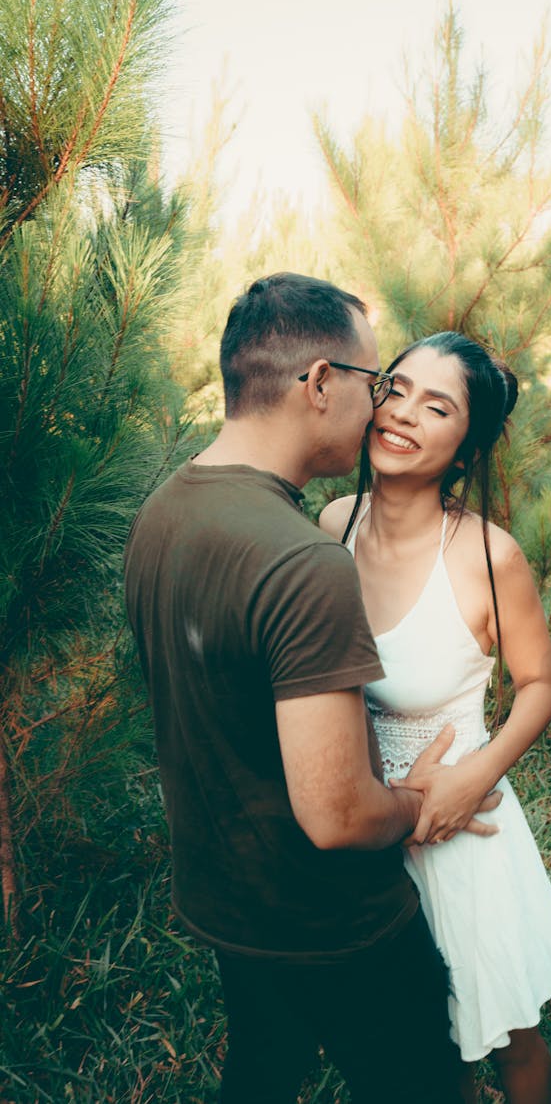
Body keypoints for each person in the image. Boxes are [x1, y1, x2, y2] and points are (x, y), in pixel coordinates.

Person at [123, 275, 501, 1104]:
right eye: (377, 384)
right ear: (320, 382)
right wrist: (418, 800)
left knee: (259, 1070)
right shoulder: (303, 561)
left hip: (226, 905)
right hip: (334, 923)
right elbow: (335, 814)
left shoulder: (161, 512)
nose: (381, 409)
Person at [320, 331, 551, 1104]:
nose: (400, 415)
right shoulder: (335, 523)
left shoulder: (486, 554)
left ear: (466, 445)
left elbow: (540, 682)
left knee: (505, 1035)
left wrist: (475, 774)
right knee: (418, 1044)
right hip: (365, 824)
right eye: (395, 389)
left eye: (435, 407)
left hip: (458, 832)